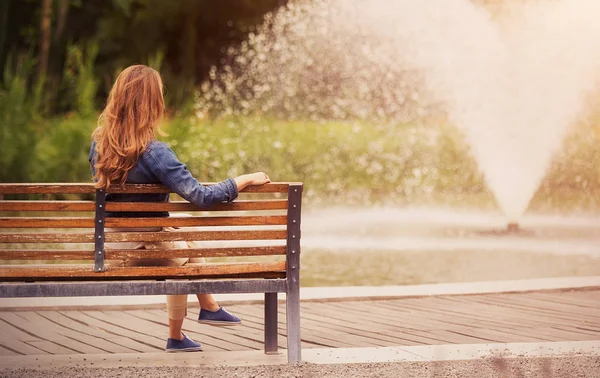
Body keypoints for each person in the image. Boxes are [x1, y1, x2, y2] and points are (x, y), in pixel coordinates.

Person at [88, 64, 271, 352]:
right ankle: (207, 306)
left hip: (112, 249)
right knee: (184, 253)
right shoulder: (155, 152)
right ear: (152, 105)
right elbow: (199, 196)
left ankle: (179, 336)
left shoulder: (99, 146)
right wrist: (242, 180)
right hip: (146, 248)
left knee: (186, 246)